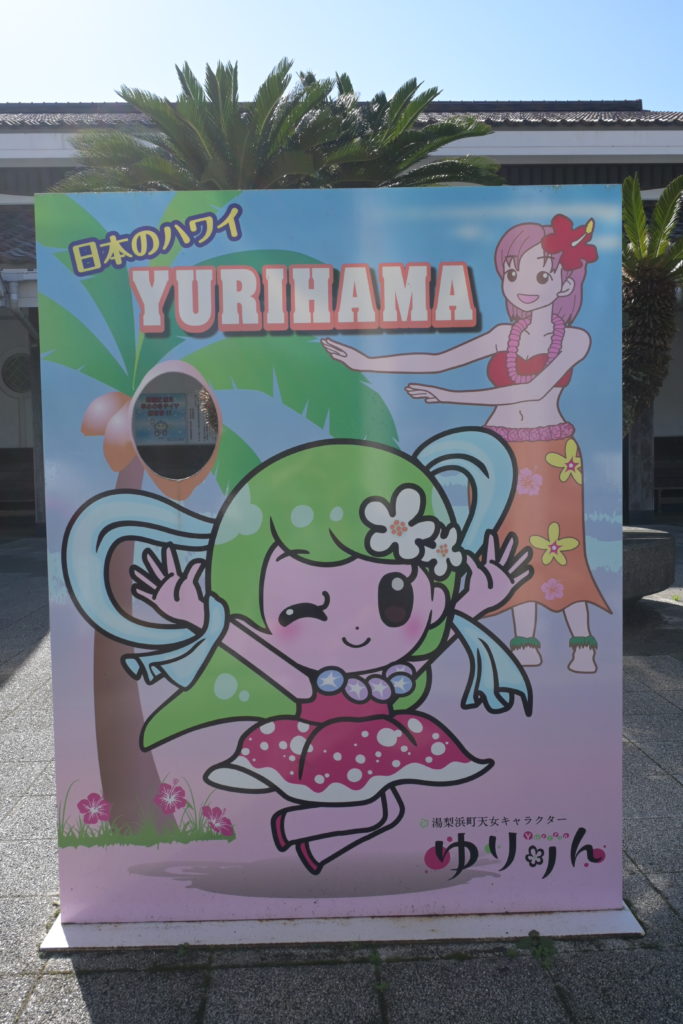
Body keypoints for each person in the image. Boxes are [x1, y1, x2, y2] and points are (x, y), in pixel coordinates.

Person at [64, 431, 532, 874]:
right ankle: (291, 829)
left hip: (378, 743)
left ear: (433, 595)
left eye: (394, 600)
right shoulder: (310, 681)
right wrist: (204, 619)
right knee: (381, 810)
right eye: (305, 609)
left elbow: (429, 649)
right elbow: (251, 648)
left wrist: (469, 605)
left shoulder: (397, 668)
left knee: (384, 810)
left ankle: (300, 839)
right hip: (323, 748)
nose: (355, 628)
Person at [321, 215, 610, 674]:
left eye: (541, 276)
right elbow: (438, 360)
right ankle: (524, 638)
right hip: (499, 453)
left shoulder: (575, 339)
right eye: (512, 273)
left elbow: (533, 390)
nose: (523, 286)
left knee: (561, 546)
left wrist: (452, 398)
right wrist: (368, 361)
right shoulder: (503, 336)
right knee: (509, 545)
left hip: (552, 453)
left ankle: (582, 640)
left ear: (564, 282)